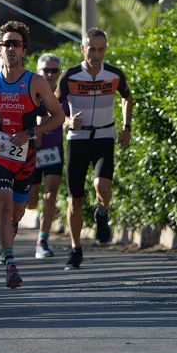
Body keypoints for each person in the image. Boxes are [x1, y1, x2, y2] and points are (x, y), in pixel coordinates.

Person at [0, 21, 64, 288]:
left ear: (24, 49)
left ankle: (11, 230)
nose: (11, 48)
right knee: (2, 204)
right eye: (6, 44)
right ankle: (10, 261)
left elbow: (58, 116)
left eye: (16, 44)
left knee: (17, 211)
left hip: (25, 156)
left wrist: (31, 132)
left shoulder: (35, 82)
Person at [56, 27, 133, 269]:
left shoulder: (114, 74)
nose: (96, 55)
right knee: (75, 200)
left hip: (104, 138)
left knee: (102, 186)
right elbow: (53, 107)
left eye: (101, 49)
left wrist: (127, 127)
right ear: (83, 49)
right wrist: (68, 121)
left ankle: (102, 213)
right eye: (91, 49)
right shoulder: (70, 76)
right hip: (77, 140)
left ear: (105, 50)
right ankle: (75, 249)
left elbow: (127, 97)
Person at [28, 53, 66, 259]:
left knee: (50, 194)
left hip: (53, 151)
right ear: (38, 72)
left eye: (54, 71)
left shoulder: (63, 94)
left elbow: (67, 117)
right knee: (31, 202)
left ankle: (42, 240)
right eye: (46, 71)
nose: (50, 75)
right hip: (31, 152)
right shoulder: (31, 93)